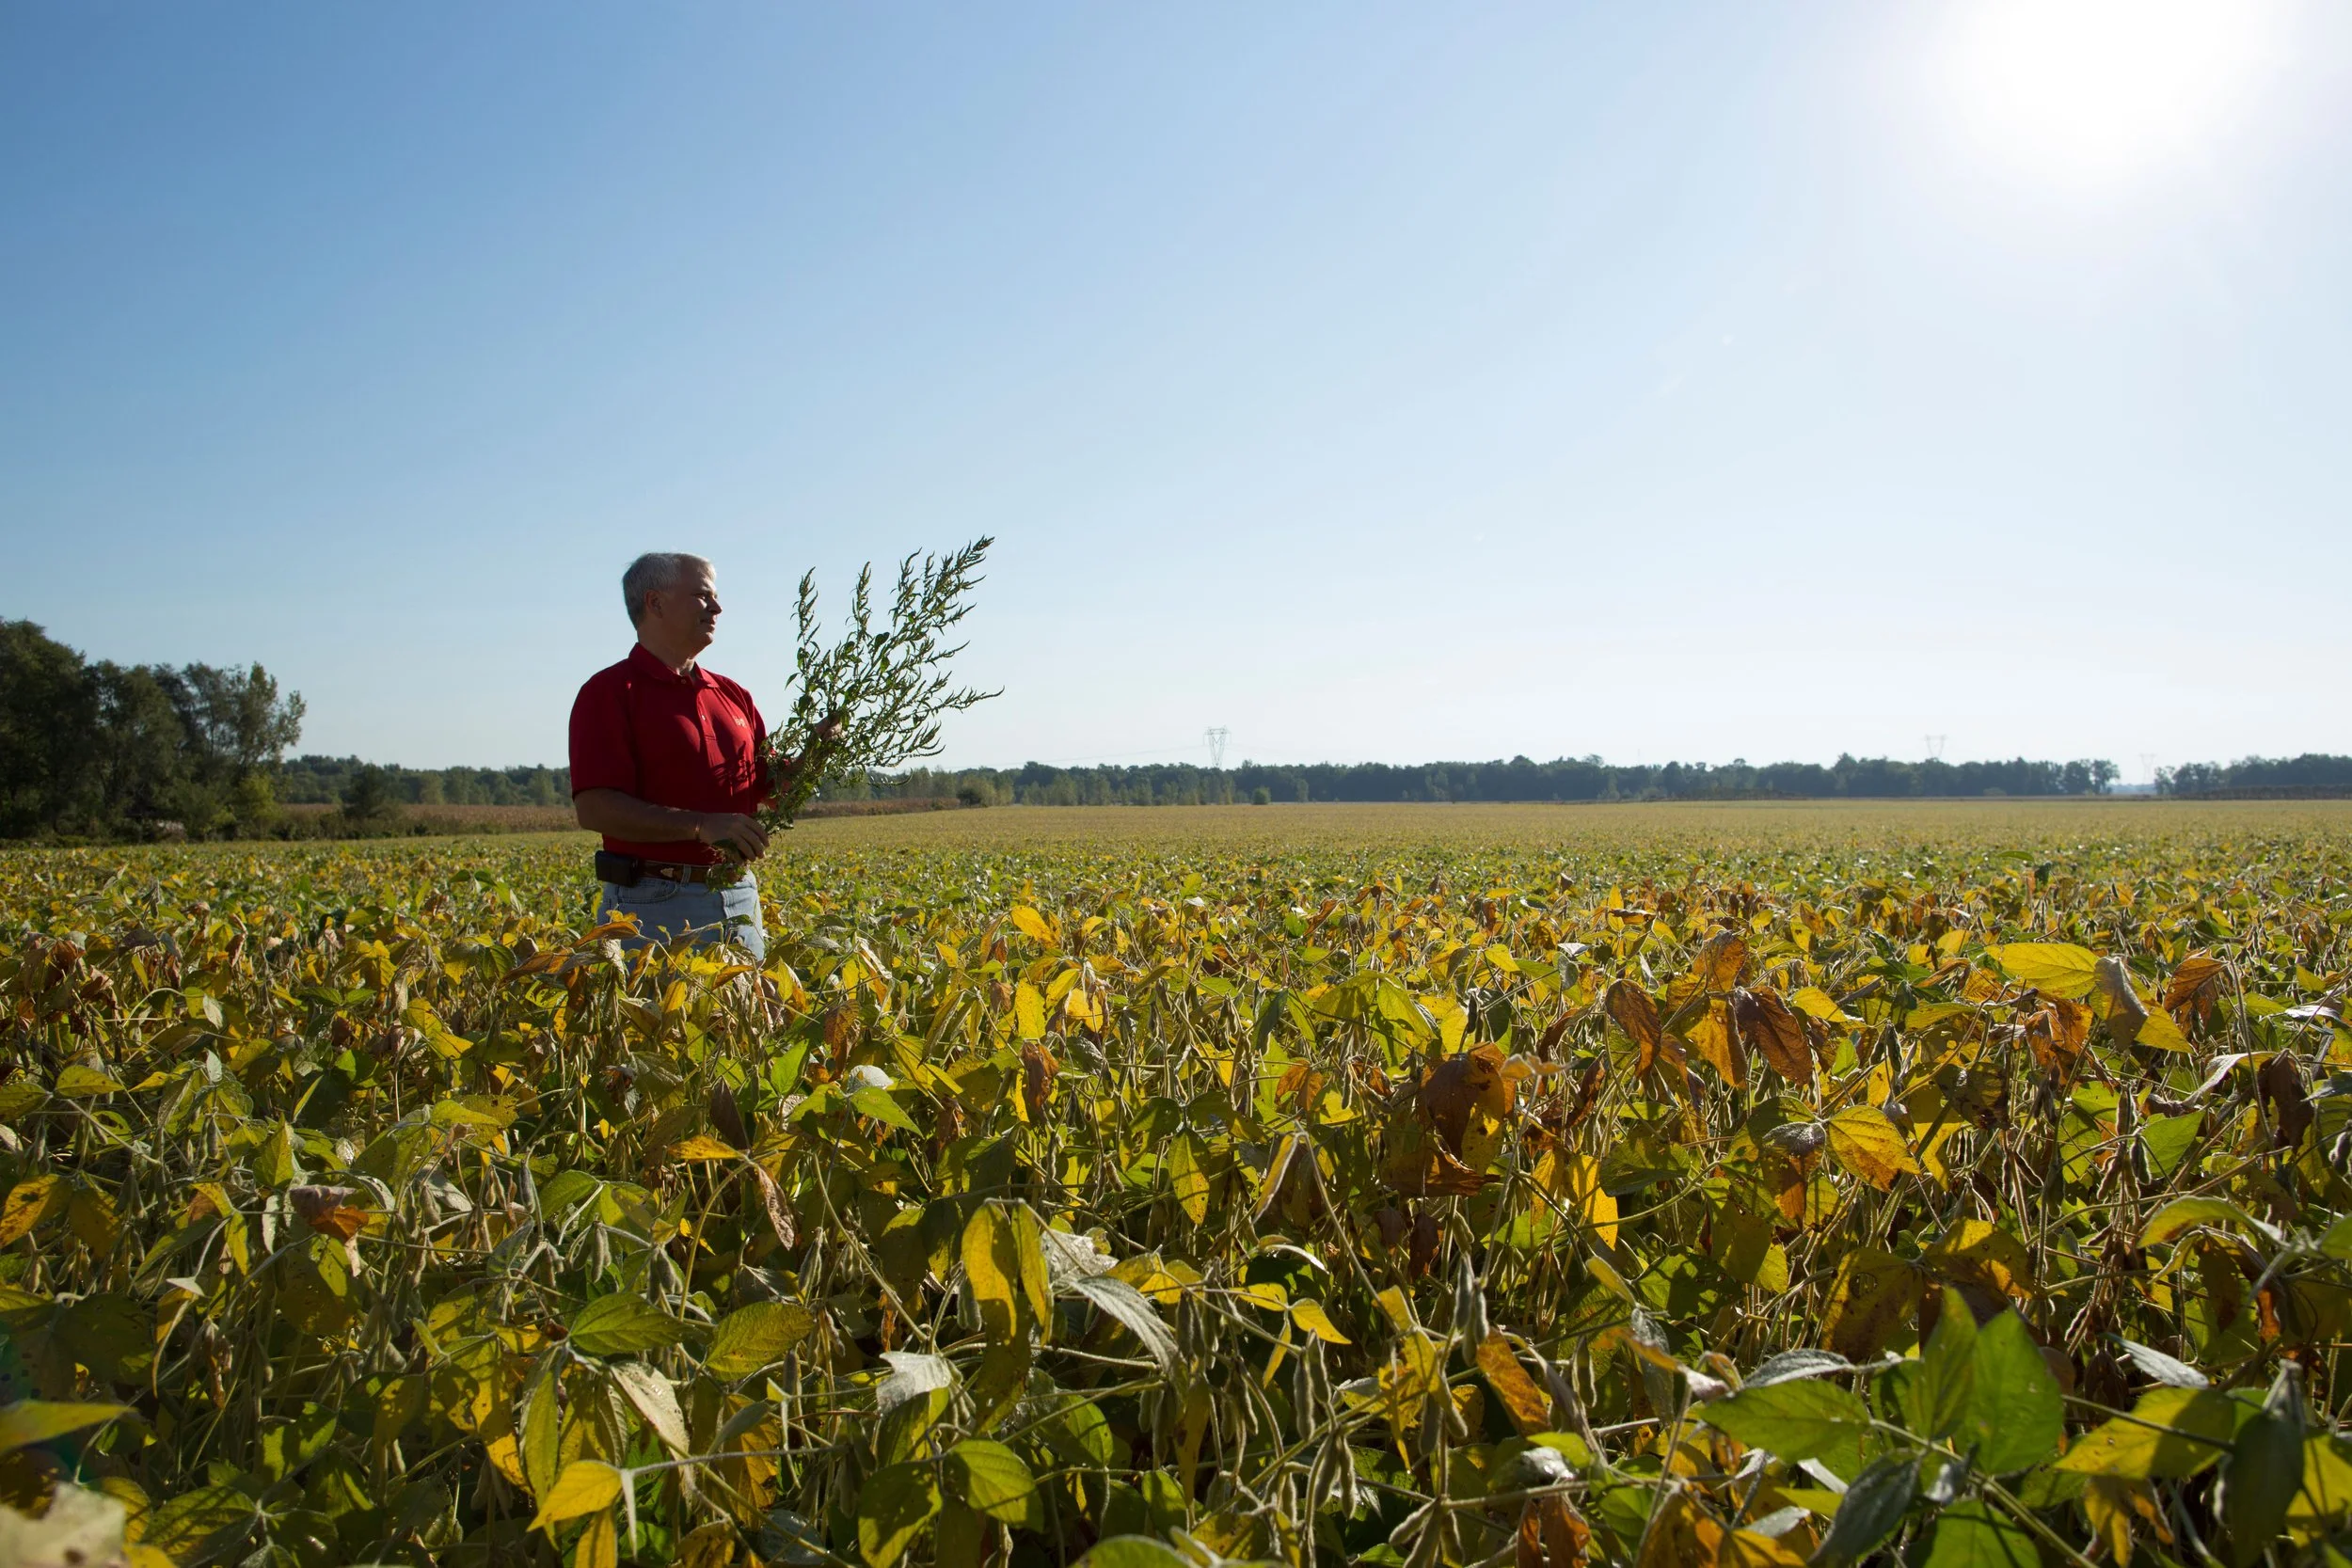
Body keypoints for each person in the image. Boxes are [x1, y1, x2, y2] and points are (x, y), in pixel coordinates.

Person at [568, 552, 826, 959]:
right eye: (702, 596)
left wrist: (817, 752)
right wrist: (699, 825)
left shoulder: (733, 695)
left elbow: (775, 791)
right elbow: (595, 808)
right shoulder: (609, 693)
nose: (717, 608)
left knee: (752, 1005)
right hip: (650, 904)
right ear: (655, 603)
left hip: (738, 896)